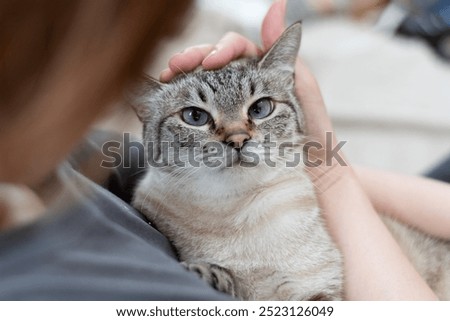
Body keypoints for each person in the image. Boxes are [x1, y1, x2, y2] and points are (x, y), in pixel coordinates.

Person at [0, 0, 448, 300]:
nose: (237, 135)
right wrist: (333, 176)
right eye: (197, 117)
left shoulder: (72, 158)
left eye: (258, 110)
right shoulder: (53, 283)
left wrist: (327, 168)